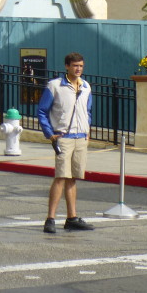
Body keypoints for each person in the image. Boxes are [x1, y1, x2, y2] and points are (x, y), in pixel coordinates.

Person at [37, 52, 95, 233]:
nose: (78, 69)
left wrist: (88, 130)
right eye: (75, 66)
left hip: (80, 137)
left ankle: (72, 217)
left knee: (73, 178)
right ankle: (51, 218)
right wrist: (50, 134)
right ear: (67, 67)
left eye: (81, 66)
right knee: (61, 177)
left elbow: (88, 110)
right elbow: (42, 111)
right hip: (63, 137)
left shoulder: (86, 87)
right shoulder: (55, 86)